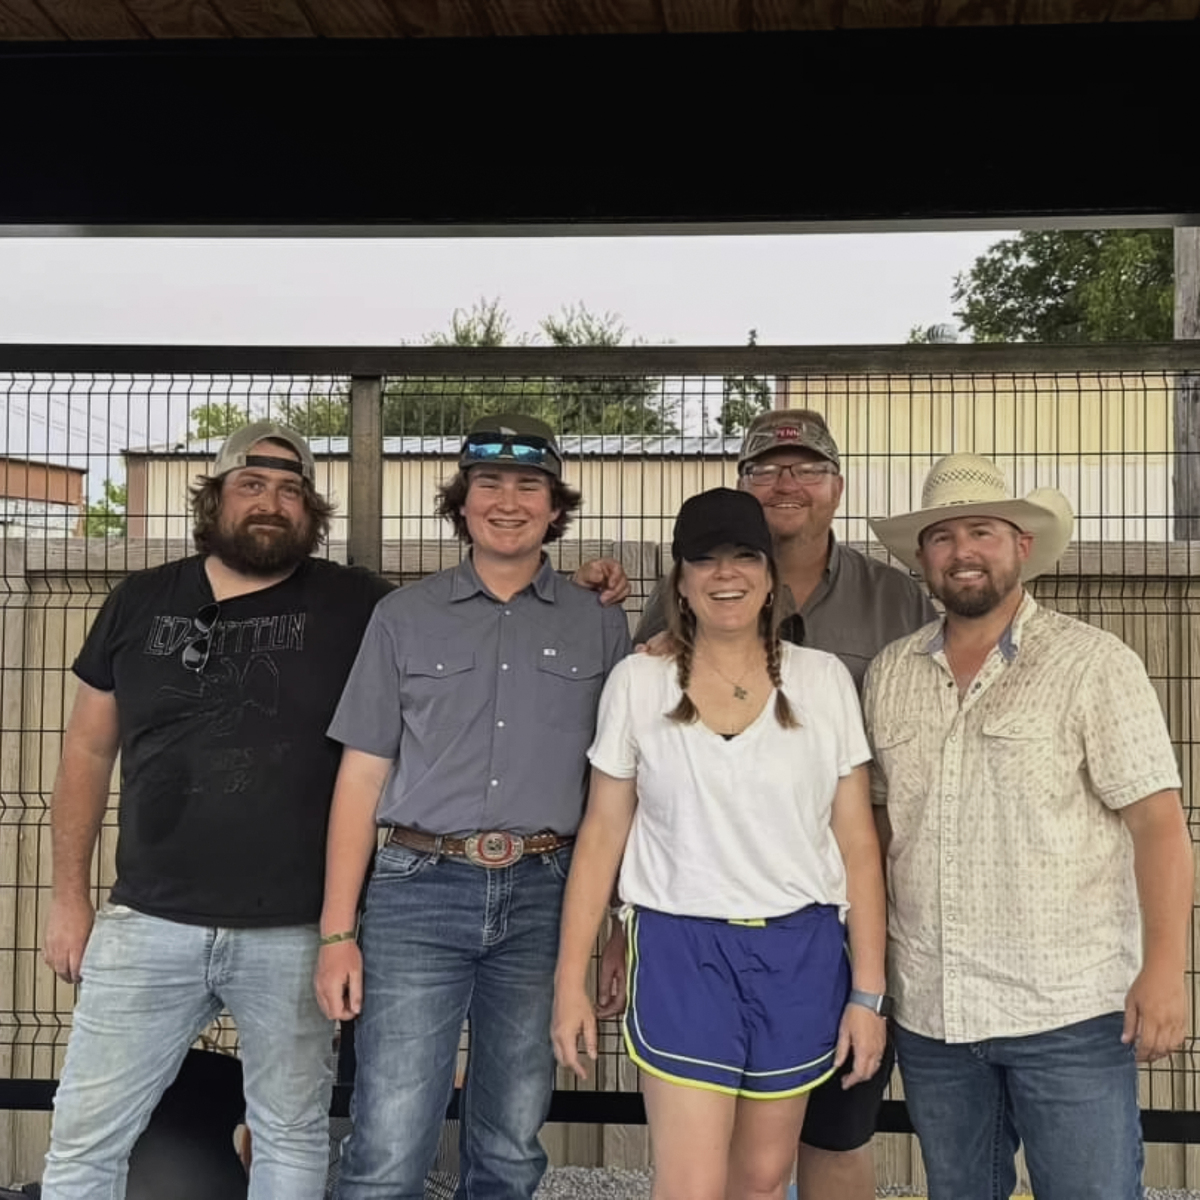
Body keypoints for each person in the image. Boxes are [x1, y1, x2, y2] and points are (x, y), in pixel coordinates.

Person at [40, 421, 394, 1200]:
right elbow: (86, 754)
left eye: (291, 490)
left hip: (295, 930)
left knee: (290, 1134)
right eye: (252, 485)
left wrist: (577, 587)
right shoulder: (139, 601)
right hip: (147, 921)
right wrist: (68, 897)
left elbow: (463, 622)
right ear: (216, 498)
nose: (272, 502)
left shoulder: (357, 603)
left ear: (311, 510)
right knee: (85, 1137)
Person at [313, 413, 632, 1200]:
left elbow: (620, 790)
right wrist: (338, 931)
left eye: (530, 486)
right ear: (461, 502)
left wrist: (617, 927)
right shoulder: (402, 617)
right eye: (489, 483)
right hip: (417, 890)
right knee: (388, 1141)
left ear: (556, 507)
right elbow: (360, 778)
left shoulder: (599, 620)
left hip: (547, 894)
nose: (508, 502)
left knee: (510, 1141)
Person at [863, 453, 1193, 1200]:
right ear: (922, 559)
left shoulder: (1094, 665)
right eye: (942, 537)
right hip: (934, 1010)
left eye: (981, 532)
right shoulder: (890, 673)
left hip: (1067, 1009)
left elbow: (1159, 826)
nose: (962, 551)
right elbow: (879, 831)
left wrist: (1165, 970)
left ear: (1021, 546)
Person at [623, 409, 934, 1199]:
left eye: (805, 468)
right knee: (719, 1155)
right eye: (764, 469)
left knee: (835, 1127)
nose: (785, 483)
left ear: (837, 487)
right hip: (712, 911)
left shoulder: (895, 599)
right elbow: (651, 712)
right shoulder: (688, 605)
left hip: (854, 894)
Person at [553, 487, 888, 1200]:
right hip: (682, 948)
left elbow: (858, 846)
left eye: (744, 557)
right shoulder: (639, 682)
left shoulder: (823, 680)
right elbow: (602, 836)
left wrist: (868, 993)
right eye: (704, 559)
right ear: (680, 580)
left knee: (763, 1178)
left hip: (800, 949)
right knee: (692, 1183)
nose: (725, 574)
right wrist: (569, 981)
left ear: (770, 576)